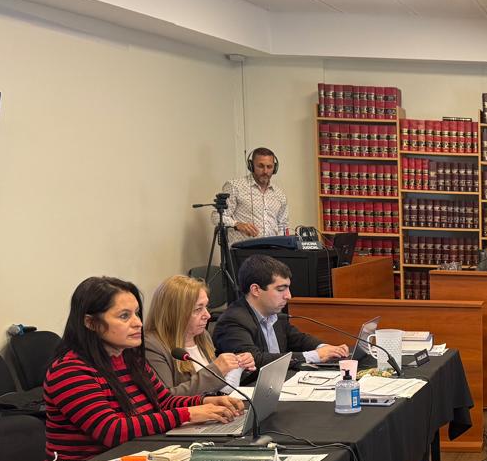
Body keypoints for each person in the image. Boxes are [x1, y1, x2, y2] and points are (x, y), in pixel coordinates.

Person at [43, 277, 243, 461]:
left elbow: (163, 402)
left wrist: (205, 402)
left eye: (136, 313)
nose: (138, 322)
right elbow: (112, 430)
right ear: (90, 323)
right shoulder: (69, 370)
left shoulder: (130, 359)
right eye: (124, 316)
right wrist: (189, 413)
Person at [212, 254, 350, 374]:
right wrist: (314, 355)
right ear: (256, 290)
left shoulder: (273, 312)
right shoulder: (233, 321)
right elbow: (256, 360)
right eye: (280, 289)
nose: (288, 296)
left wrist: (324, 348)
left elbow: (298, 339)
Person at [143, 274, 256, 395]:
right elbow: (166, 398)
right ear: (174, 314)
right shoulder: (152, 346)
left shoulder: (202, 335)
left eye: (206, 307)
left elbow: (216, 387)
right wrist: (216, 370)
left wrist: (237, 367)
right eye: (198, 309)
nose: (207, 315)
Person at [219, 147, 289, 246]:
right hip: (243, 251)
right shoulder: (234, 186)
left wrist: (283, 246)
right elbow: (218, 216)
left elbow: (283, 225)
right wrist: (237, 225)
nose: (265, 171)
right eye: (260, 166)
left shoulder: (279, 194)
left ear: (275, 168)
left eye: (269, 167)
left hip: (273, 251)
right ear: (251, 166)